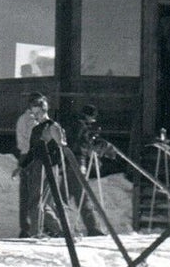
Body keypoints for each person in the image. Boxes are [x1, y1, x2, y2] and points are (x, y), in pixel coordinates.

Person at [64, 105, 109, 236]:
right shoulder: (81, 127)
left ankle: (53, 224)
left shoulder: (76, 125)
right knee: (82, 195)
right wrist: (93, 142)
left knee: (63, 194)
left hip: (71, 162)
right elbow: (81, 145)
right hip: (77, 162)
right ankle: (93, 227)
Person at [14, 94, 53, 238]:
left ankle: (26, 227)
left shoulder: (23, 118)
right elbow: (36, 141)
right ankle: (34, 228)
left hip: (24, 155)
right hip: (32, 157)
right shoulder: (32, 121)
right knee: (35, 194)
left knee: (26, 194)